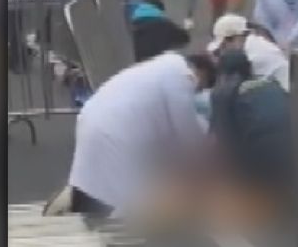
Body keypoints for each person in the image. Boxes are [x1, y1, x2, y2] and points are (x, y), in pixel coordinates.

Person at [65, 51, 219, 227]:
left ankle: (79, 208)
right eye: (200, 87)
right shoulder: (181, 76)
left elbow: (173, 136)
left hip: (93, 120)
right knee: (127, 212)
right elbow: (186, 131)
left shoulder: (162, 67)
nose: (196, 92)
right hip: (117, 133)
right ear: (200, 72)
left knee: (94, 189)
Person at [207, 48, 294, 196]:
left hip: (261, 159)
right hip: (296, 151)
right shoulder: (270, 83)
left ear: (222, 73)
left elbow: (226, 140)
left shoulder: (223, 92)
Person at [208, 13, 292, 90]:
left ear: (237, 37)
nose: (223, 52)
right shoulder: (254, 44)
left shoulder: (252, 55)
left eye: (224, 46)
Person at [127, 0, 191, 63]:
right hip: (161, 64)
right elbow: (185, 38)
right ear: (159, 10)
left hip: (139, 66)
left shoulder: (131, 28)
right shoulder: (165, 25)